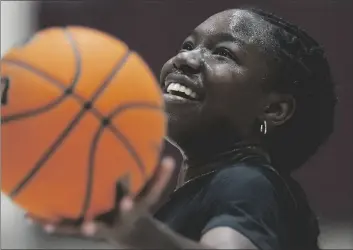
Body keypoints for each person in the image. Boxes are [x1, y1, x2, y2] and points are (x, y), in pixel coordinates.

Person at [25, 7, 337, 250]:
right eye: (188, 45)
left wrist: (140, 235)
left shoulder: (246, 183)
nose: (185, 58)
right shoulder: (211, 191)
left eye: (223, 53)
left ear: (273, 109)